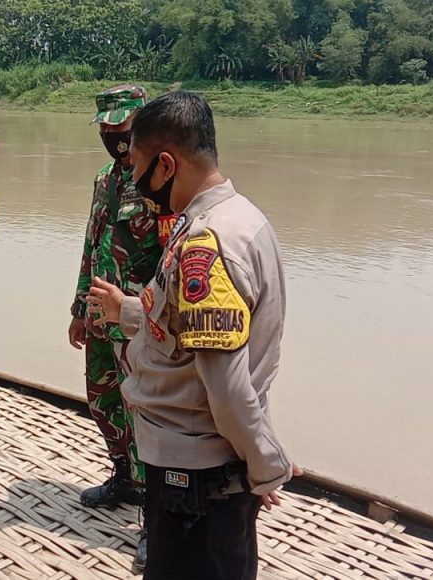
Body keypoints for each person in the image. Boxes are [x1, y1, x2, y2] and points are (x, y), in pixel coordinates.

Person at [86, 91, 302, 580]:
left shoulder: (209, 243)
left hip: (198, 476)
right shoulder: (237, 218)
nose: (135, 182)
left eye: (138, 166)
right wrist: (129, 312)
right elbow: (187, 331)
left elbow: (225, 384)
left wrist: (265, 465)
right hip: (200, 469)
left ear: (165, 164)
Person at [68, 84, 171, 571]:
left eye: (122, 126)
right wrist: (77, 308)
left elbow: (172, 260)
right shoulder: (103, 180)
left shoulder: (160, 185)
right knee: (103, 400)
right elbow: (92, 244)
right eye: (107, 128)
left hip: (139, 322)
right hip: (99, 319)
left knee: (145, 416)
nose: (115, 135)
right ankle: (124, 479)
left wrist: (148, 314)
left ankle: (156, 519)